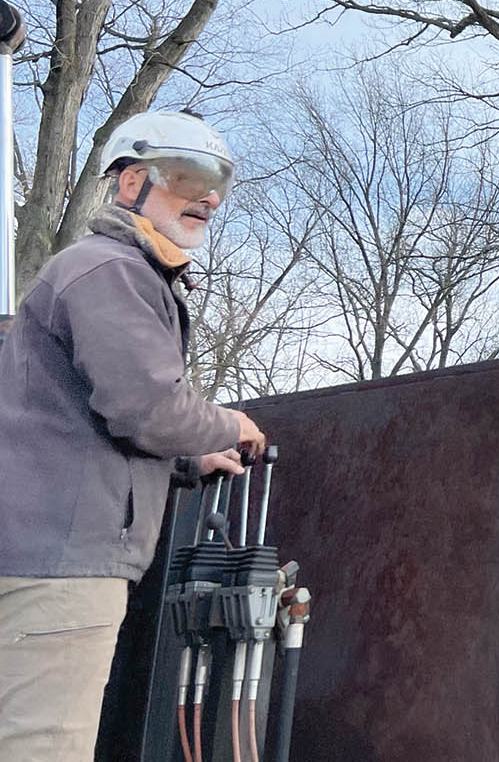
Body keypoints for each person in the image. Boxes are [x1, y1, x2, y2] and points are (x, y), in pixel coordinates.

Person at [0, 110, 267, 760]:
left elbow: (85, 427)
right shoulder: (112, 268)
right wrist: (230, 423)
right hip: (63, 565)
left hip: (45, 549)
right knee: (42, 748)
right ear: (130, 185)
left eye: (218, 185)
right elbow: (146, 408)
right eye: (188, 176)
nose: (207, 197)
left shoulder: (110, 272)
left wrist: (187, 460)